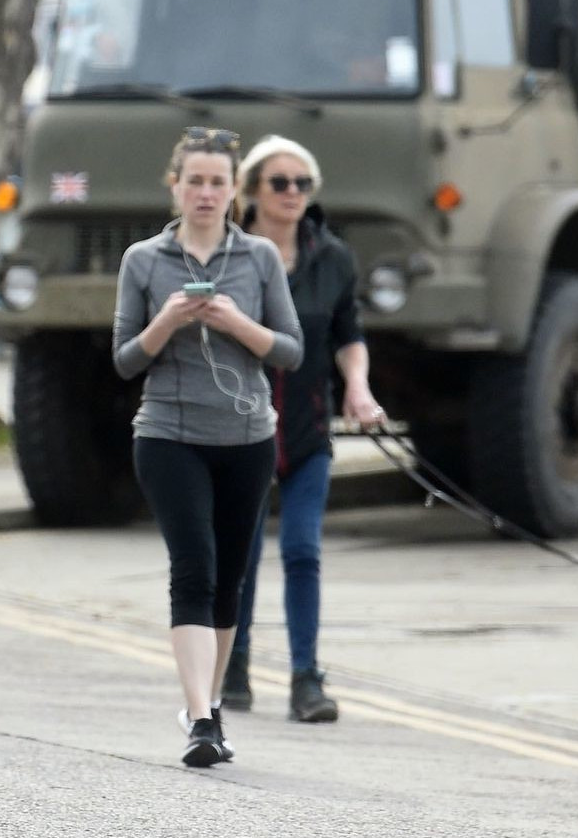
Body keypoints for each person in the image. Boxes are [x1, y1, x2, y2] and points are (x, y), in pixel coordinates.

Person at [113, 126, 303, 768]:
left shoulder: (259, 259)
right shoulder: (144, 260)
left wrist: (236, 323)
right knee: (192, 569)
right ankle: (198, 716)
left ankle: (211, 702)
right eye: (193, 180)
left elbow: (291, 348)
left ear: (233, 191)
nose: (205, 192)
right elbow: (124, 362)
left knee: (229, 580)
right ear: (175, 186)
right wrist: (166, 321)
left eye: (217, 182)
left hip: (247, 438)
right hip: (168, 436)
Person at [222, 135, 385, 723]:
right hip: (240, 428)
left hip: (309, 428)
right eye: (279, 183)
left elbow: (349, 334)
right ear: (253, 191)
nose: (292, 194)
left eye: (302, 184)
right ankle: (233, 666)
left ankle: (305, 679)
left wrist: (359, 391)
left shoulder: (332, 256)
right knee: (239, 555)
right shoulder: (229, 254)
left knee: (302, 550)